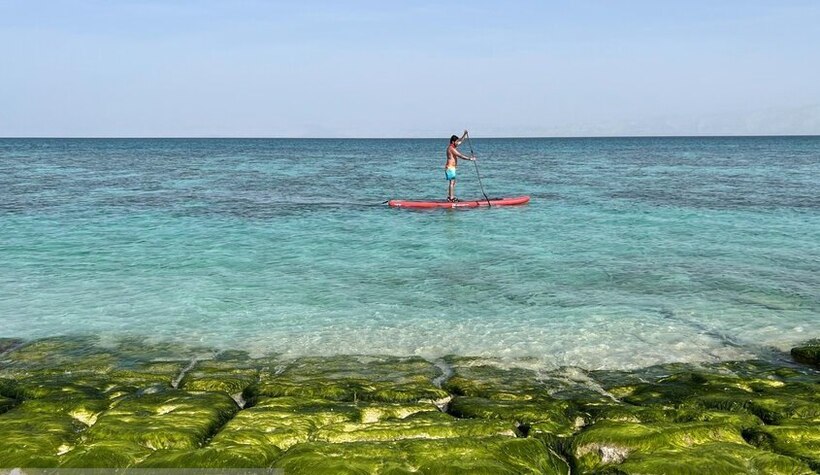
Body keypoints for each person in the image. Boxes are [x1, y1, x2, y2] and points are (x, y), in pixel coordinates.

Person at [445, 130, 476, 202]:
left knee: (453, 182)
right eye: (456, 141)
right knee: (452, 182)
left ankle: (451, 197)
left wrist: (464, 134)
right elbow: (460, 155)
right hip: (450, 167)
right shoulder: (451, 148)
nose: (457, 143)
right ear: (453, 142)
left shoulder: (453, 146)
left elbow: (461, 141)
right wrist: (470, 159)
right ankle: (451, 198)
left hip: (452, 168)